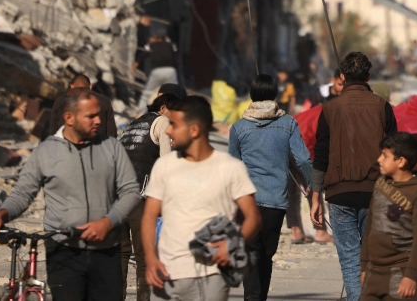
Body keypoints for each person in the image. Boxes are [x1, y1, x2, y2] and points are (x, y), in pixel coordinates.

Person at [0, 89, 141, 301]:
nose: (98, 121)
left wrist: (108, 222)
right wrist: (0, 215)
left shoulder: (111, 147)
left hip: (107, 252)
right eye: (90, 116)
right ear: (69, 118)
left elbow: (131, 191)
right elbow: (22, 193)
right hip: (63, 252)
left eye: (99, 114)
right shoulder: (46, 152)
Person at [142, 96, 262, 301]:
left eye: (174, 125)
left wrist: (232, 244)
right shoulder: (164, 166)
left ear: (194, 130)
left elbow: (253, 217)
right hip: (167, 273)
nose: (168, 130)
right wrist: (151, 259)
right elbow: (149, 216)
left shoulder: (230, 167)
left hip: (212, 276)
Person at [311, 51, 398, 301]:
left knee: (350, 259)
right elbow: (395, 150)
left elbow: (321, 154)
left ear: (342, 77)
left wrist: (315, 196)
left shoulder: (329, 109)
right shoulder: (382, 106)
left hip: (339, 193)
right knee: (373, 258)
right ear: (368, 76)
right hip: (377, 192)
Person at [228, 74, 313, 301]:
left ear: (251, 96)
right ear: (275, 95)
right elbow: (303, 160)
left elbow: (232, 167)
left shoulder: (238, 128)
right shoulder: (288, 123)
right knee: (266, 255)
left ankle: (252, 297)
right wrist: (312, 185)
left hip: (246, 202)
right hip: (276, 201)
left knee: (250, 252)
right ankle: (259, 297)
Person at [120, 83, 186, 301]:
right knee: (143, 256)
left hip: (118, 196)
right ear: (165, 107)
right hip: (140, 196)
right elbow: (167, 162)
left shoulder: (134, 123)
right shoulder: (163, 122)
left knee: (121, 254)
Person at [360, 132, 417, 301]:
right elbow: (370, 226)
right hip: (373, 271)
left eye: (385, 156)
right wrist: (364, 266)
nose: (379, 159)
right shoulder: (381, 183)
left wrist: (412, 274)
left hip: (401, 272)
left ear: (401, 161)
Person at [44, 74, 118, 140]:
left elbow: (53, 128)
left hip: (66, 146)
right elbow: (112, 132)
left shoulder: (61, 100)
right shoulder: (104, 101)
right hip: (98, 147)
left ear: (72, 86)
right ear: (90, 86)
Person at [137, 31, 179, 112]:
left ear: (156, 37)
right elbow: (176, 56)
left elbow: (143, 55)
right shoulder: (171, 45)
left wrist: (135, 65)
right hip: (171, 71)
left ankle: (140, 111)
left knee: (147, 93)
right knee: (173, 93)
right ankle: (173, 113)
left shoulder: (151, 45)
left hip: (157, 71)